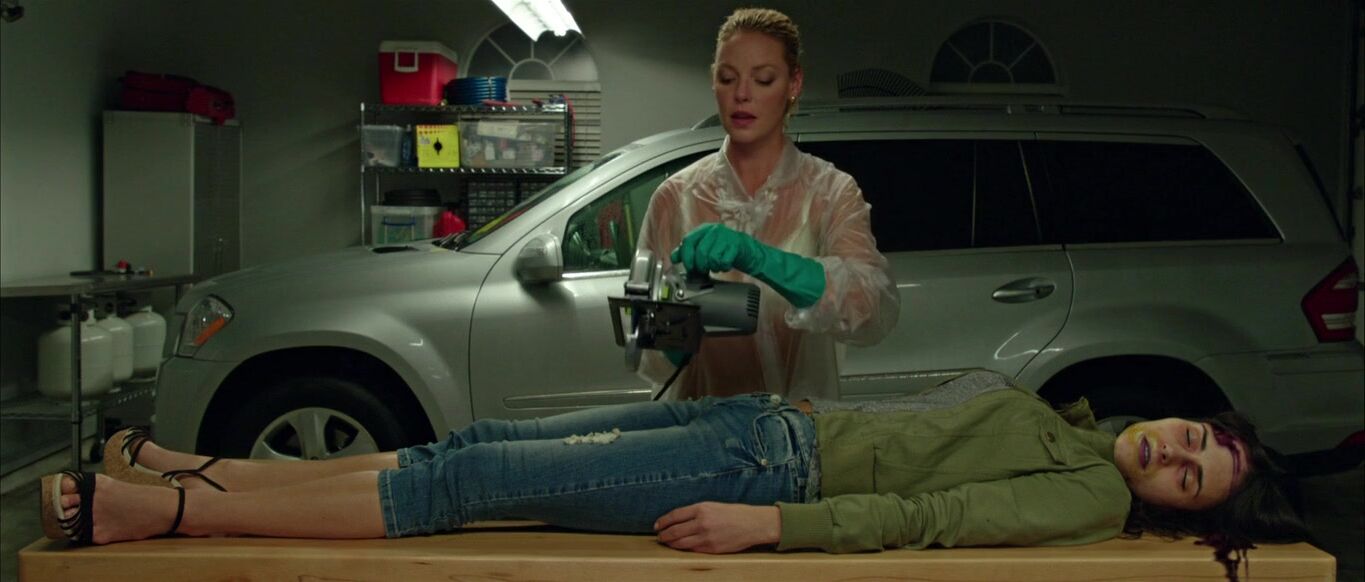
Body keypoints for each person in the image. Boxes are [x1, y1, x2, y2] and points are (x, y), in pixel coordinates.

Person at [41, 370, 1307, 553]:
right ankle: (199, 469)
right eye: (1195, 439)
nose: (1175, 453)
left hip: (769, 477)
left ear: (1173, 510)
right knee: (468, 447)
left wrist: (772, 528)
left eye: (1189, 477)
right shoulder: (1078, 426)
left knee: (459, 488)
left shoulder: (1085, 492)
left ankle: (166, 515)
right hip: (764, 424)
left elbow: (928, 515)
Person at [634, 7, 900, 400]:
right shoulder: (676, 197)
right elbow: (650, 353)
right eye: (728, 78)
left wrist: (760, 258)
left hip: (798, 423)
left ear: (794, 83)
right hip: (699, 424)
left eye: (763, 79)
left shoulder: (829, 192)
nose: (742, 94)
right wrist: (683, 312)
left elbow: (872, 309)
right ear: (714, 82)